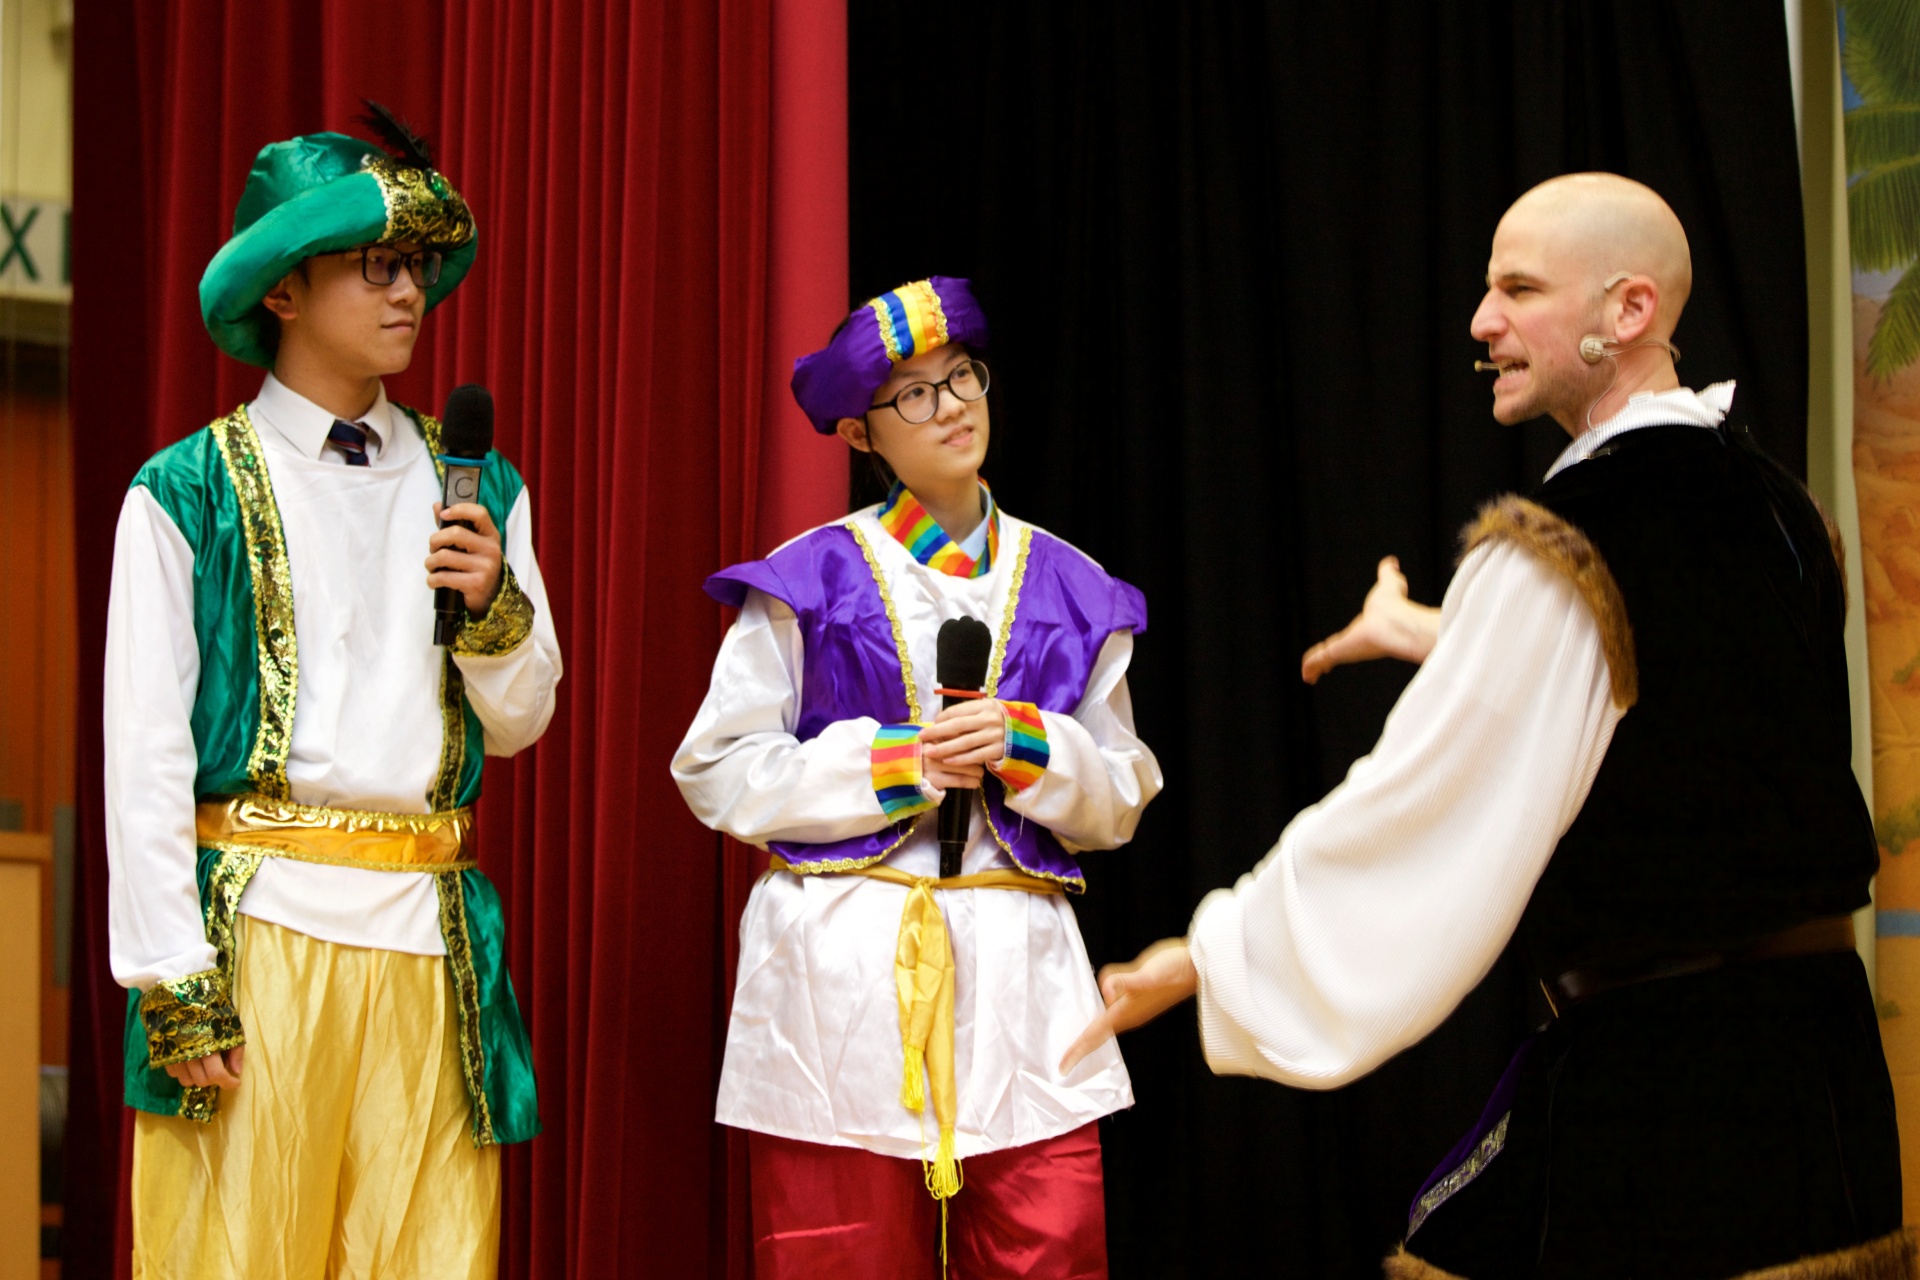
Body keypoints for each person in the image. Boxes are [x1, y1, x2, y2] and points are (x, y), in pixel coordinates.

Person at [1063, 174, 1907, 1279]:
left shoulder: (1572, 537)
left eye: (1520, 289)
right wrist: (1435, 629)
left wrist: (1206, 955)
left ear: (1630, 310)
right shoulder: (1772, 502)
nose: (1482, 320)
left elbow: (1424, 804)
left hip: (1670, 1098)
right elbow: (1666, 696)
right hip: (1822, 1075)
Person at [106, 110, 561, 1279]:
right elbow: (144, 747)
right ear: (285, 291)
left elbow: (521, 721)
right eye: (376, 265)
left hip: (428, 931)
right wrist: (172, 974)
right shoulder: (185, 491)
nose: (411, 291)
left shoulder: (480, 486)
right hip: (260, 928)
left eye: (417, 266)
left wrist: (493, 605)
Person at [674, 276, 1163, 1277]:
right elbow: (717, 768)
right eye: (915, 394)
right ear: (861, 435)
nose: (952, 406)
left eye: (964, 376)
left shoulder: (1073, 585)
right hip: (842, 966)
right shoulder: (808, 576)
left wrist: (1032, 746)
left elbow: (1121, 793)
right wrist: (896, 761)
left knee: (1051, 1251)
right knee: (841, 1256)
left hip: (1020, 965)